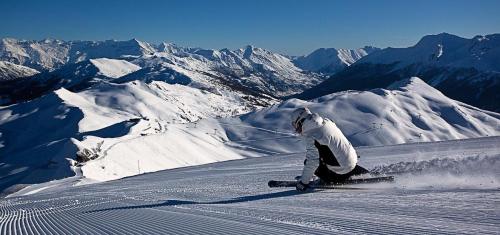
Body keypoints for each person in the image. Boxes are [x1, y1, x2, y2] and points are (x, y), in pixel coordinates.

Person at [291, 107, 369, 191]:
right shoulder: (327, 122)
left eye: (296, 125)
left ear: (301, 121)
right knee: (324, 152)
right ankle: (361, 173)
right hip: (352, 162)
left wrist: (303, 182)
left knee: (308, 161)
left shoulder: (312, 136)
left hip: (340, 173)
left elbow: (312, 162)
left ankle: (331, 178)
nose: (296, 129)